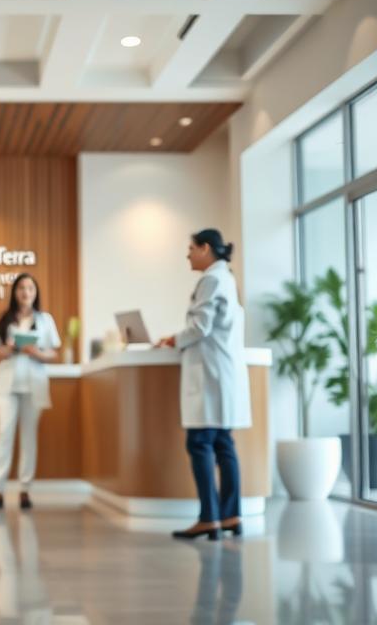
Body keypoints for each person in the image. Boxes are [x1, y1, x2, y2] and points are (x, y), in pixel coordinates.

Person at [156, 229, 251, 540]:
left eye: (191, 249)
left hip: (211, 373)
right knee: (224, 445)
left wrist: (175, 339)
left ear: (206, 248)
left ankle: (209, 518)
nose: (187, 255)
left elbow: (200, 326)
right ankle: (231, 515)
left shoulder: (211, 279)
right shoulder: (226, 278)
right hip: (221, 372)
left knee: (200, 444)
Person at [0, 273, 60, 512]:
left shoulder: (45, 320)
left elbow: (54, 353)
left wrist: (35, 352)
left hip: (33, 385)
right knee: (4, 435)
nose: (26, 292)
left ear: (36, 293)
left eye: (30, 288)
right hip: (7, 386)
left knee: (28, 438)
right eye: (22, 288)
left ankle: (25, 490)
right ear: (15, 292)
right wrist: (11, 347)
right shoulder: (4, 320)